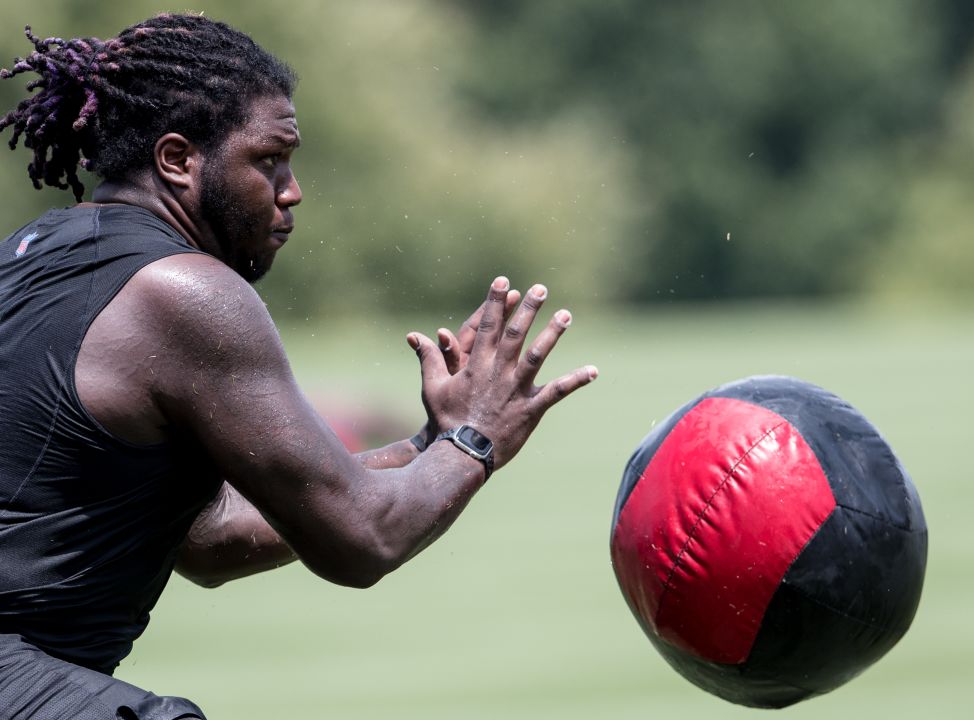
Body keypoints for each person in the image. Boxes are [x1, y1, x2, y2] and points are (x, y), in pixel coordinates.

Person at [0, 13, 597, 719]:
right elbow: (361, 540)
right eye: (268, 160)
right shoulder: (184, 293)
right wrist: (475, 440)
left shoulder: (37, 249)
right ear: (178, 160)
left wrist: (428, 446)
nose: (292, 190)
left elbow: (209, 538)